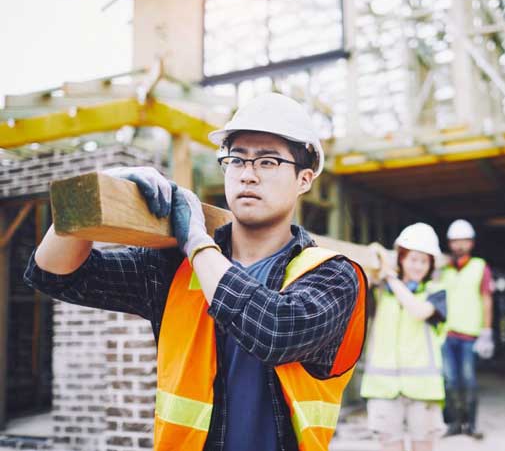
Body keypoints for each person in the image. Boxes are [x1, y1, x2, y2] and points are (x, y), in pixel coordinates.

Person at [24, 93, 368, 451]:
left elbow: (275, 333)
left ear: (304, 179)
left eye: (268, 162)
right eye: (237, 160)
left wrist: (197, 242)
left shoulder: (332, 275)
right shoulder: (175, 268)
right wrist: (103, 189)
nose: (248, 175)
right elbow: (53, 274)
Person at [360, 223, 447, 451]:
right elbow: (356, 285)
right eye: (412, 259)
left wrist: (391, 279)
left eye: (424, 260)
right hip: (383, 388)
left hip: (423, 390)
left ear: (431, 264)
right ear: (400, 258)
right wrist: (374, 264)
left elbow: (418, 311)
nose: (418, 266)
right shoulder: (380, 291)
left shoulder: (436, 293)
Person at [439, 219, 494, 439]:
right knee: (449, 380)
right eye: (455, 241)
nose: (459, 245)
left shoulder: (480, 266)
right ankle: (453, 423)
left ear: (471, 243)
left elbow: (486, 299)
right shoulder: (444, 269)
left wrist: (487, 332)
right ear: (450, 244)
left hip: (470, 336)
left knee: (468, 379)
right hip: (446, 334)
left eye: (464, 241)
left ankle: (471, 424)